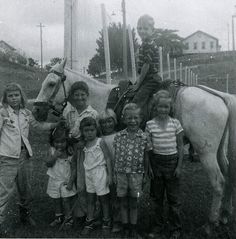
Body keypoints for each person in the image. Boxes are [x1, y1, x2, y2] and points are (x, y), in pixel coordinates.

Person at [0, 83, 59, 232]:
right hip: (7, 158)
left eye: (16, 95)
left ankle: (25, 215)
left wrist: (55, 125)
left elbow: (38, 126)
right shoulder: (2, 113)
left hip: (24, 156)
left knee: (26, 189)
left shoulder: (26, 113)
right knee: (4, 191)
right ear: (5, 98)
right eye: (10, 96)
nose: (14, 98)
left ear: (21, 96)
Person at [145, 90, 184, 239]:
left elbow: (181, 147)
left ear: (170, 108)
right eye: (160, 107)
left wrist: (179, 166)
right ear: (155, 108)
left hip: (172, 163)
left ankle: (176, 228)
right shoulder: (150, 125)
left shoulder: (176, 123)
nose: (163, 110)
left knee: (174, 199)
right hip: (156, 164)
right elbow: (148, 148)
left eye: (166, 107)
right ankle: (157, 226)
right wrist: (149, 167)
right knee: (157, 199)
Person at [113, 103, 151, 238]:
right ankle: (125, 228)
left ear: (141, 119)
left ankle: (133, 228)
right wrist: (114, 174)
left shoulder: (144, 137)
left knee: (134, 202)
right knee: (123, 201)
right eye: (129, 118)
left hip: (137, 174)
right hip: (121, 174)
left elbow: (146, 157)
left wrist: (146, 174)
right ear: (124, 119)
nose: (133, 121)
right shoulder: (118, 137)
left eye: (135, 118)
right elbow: (116, 157)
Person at [63, 81, 98, 224]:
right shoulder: (68, 112)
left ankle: (91, 214)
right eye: (76, 95)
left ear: (87, 96)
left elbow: (95, 135)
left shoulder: (93, 113)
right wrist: (68, 143)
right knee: (73, 181)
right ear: (71, 96)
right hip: (72, 151)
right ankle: (78, 213)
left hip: (86, 152)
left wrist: (81, 143)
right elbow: (66, 132)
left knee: (84, 183)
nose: (79, 98)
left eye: (82, 95)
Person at [79, 117, 112, 236]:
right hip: (89, 174)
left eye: (92, 130)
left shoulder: (100, 142)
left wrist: (110, 175)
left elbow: (108, 158)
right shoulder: (83, 144)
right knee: (90, 199)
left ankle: (106, 221)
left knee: (104, 199)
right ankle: (90, 221)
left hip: (100, 173)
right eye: (86, 130)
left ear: (96, 130)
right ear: (82, 132)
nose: (89, 133)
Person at [132, 14, 161, 127]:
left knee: (136, 102)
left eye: (145, 28)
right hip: (148, 78)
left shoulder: (148, 44)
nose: (142, 31)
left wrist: (138, 83)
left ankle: (140, 127)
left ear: (152, 31)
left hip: (150, 79)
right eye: (139, 28)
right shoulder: (145, 44)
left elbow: (146, 66)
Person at [46, 124, 77, 228]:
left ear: (67, 141)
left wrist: (71, 182)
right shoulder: (51, 150)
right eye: (57, 142)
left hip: (65, 180)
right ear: (52, 141)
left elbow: (73, 168)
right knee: (56, 199)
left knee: (66, 199)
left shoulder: (70, 152)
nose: (59, 145)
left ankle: (69, 218)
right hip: (54, 179)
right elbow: (48, 164)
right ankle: (58, 216)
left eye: (62, 142)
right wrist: (55, 156)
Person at [98, 109, 122, 233]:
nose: (107, 125)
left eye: (109, 121)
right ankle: (105, 217)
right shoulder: (99, 139)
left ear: (115, 121)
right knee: (103, 197)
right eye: (103, 122)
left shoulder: (119, 136)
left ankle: (117, 221)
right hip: (102, 172)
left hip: (115, 172)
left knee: (115, 197)